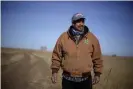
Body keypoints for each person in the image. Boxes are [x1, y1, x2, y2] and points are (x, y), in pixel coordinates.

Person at [50, 13, 103, 89]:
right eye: (78, 21)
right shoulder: (63, 37)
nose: (81, 24)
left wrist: (97, 74)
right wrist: (54, 71)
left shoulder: (92, 38)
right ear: (73, 23)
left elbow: (97, 57)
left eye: (82, 21)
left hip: (85, 80)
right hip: (68, 80)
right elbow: (56, 55)